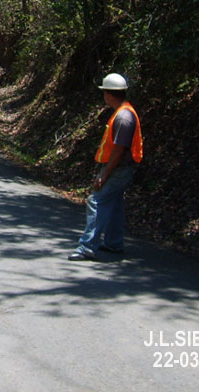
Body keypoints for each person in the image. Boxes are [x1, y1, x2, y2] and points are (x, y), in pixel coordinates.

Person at [68, 73, 143, 261]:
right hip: (123, 168)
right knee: (114, 203)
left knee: (96, 201)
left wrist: (104, 174)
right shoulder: (124, 112)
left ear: (109, 94)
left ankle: (87, 246)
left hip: (120, 169)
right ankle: (114, 243)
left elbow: (119, 151)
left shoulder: (124, 117)